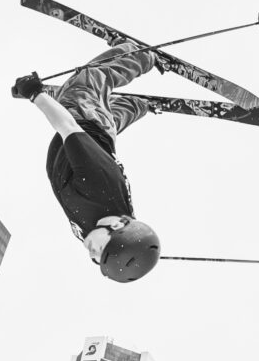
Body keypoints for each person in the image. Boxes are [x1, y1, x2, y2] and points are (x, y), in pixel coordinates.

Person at [11, 47, 162, 283]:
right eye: (100, 250)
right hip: (84, 118)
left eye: (97, 259)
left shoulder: (97, 228)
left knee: (112, 120)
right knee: (90, 79)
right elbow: (68, 127)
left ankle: (138, 105)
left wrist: (135, 255)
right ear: (117, 225)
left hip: (101, 135)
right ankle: (143, 56)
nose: (91, 253)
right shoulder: (99, 185)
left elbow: (129, 234)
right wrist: (35, 93)